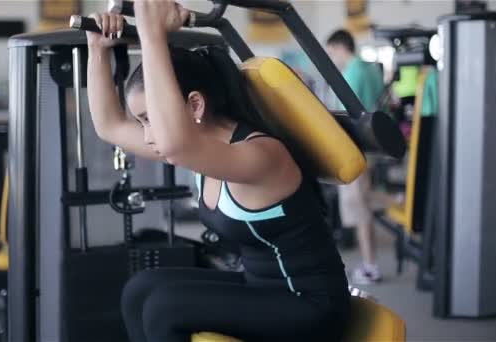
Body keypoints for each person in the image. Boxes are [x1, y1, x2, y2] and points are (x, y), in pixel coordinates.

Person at [86, 2, 351, 341]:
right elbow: (110, 126)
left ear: (195, 105)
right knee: (140, 289)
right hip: (261, 286)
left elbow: (172, 143)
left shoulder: (261, 155)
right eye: (142, 122)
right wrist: (97, 50)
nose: (148, 135)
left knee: (165, 307)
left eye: (150, 119)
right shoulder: (201, 148)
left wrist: (153, 36)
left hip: (311, 305)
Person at [326, 29, 385, 285]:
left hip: (356, 147)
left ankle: (370, 266)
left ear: (340, 47)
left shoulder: (351, 73)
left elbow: (343, 114)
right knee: (365, 202)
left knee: (359, 208)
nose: (331, 57)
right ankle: (369, 262)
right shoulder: (371, 70)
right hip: (373, 144)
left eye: (331, 52)